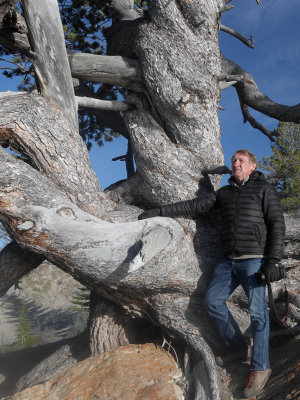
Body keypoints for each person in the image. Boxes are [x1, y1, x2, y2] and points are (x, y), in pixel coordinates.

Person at [138, 149, 285, 398]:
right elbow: (195, 205)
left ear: (253, 166)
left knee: (259, 314)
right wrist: (160, 211)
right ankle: (240, 349)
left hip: (254, 260)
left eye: (241, 161)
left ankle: (260, 368)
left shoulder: (264, 190)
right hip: (229, 261)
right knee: (213, 301)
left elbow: (276, 223)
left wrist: (274, 260)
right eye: (234, 161)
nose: (236, 164)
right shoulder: (224, 194)